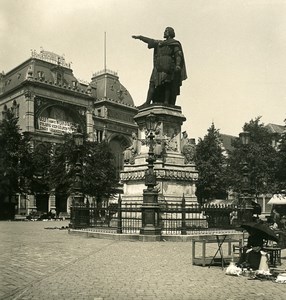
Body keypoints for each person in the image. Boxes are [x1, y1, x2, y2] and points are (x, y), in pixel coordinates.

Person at [132, 27, 187, 106]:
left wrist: (178, 65)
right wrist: (140, 37)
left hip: (168, 65)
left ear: (171, 33)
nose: (164, 32)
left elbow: (178, 54)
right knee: (152, 83)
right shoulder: (159, 43)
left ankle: (166, 102)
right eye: (164, 31)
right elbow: (150, 40)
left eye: (166, 31)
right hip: (158, 67)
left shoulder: (174, 43)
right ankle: (147, 102)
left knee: (167, 83)